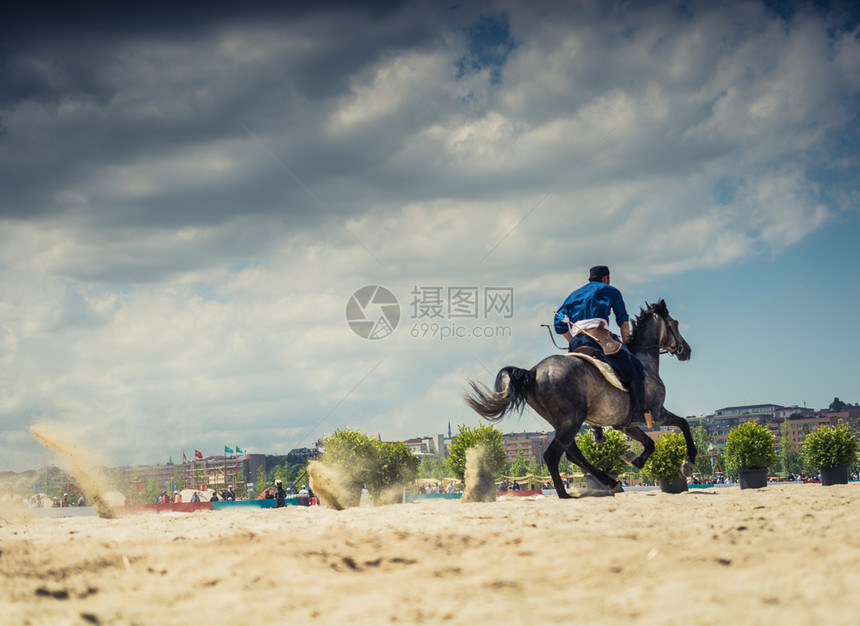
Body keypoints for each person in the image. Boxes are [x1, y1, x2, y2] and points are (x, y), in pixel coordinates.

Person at [554, 265, 660, 425]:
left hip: (576, 342)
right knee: (635, 365)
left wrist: (573, 341)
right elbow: (623, 321)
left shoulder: (574, 294)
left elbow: (558, 324)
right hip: (599, 338)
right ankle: (638, 413)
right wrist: (625, 344)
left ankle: (594, 426)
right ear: (606, 278)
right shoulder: (610, 290)